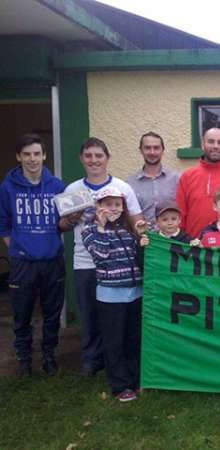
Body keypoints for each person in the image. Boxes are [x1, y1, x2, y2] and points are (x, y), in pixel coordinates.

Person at [63, 137, 143, 377]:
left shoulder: (122, 188)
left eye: (99, 156)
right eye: (88, 156)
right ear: (82, 159)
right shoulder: (73, 190)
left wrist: (149, 235)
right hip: (85, 261)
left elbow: (136, 222)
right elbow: (61, 226)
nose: (94, 160)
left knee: (117, 317)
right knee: (88, 313)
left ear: (107, 158)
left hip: (117, 263)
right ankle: (91, 360)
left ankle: (115, 361)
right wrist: (73, 217)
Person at [0, 133, 65, 377]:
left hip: (52, 260)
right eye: (26, 154)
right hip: (23, 262)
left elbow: (65, 221)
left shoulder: (57, 186)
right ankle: (24, 360)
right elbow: (3, 222)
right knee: (22, 314)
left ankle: (49, 356)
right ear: (19, 157)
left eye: (37, 154)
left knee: (51, 313)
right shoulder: (7, 188)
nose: (32, 159)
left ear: (44, 156)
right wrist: (15, 247)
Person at [81, 187, 143, 402]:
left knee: (133, 339)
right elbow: (100, 254)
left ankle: (135, 380)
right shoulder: (89, 230)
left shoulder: (128, 229)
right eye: (108, 204)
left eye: (117, 205)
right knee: (114, 341)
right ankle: (120, 385)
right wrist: (101, 227)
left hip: (135, 292)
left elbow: (137, 256)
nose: (113, 209)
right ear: (99, 207)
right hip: (110, 296)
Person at [127, 132, 179, 230]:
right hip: (141, 240)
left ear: (162, 150)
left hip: (169, 240)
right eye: (147, 148)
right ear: (141, 150)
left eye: (156, 148)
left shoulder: (176, 180)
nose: (152, 152)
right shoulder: (130, 183)